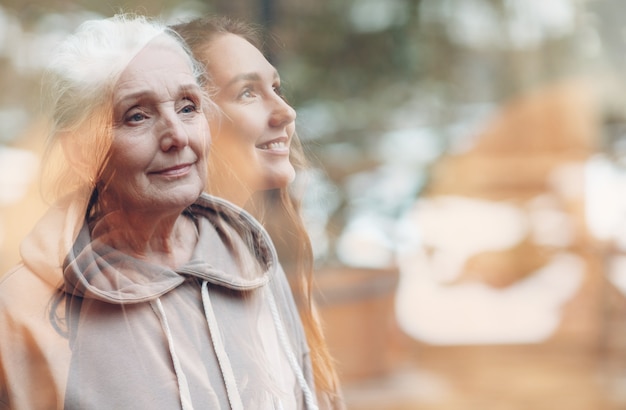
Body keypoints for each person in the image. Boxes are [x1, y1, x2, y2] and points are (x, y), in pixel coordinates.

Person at [0, 14, 321, 409]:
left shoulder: (250, 258)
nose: (177, 136)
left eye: (188, 107)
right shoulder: (19, 309)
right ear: (83, 152)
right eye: (137, 115)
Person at [171, 16, 344, 409]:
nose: (286, 112)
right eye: (247, 92)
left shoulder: (262, 264)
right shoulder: (163, 288)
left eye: (276, 88)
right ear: (185, 118)